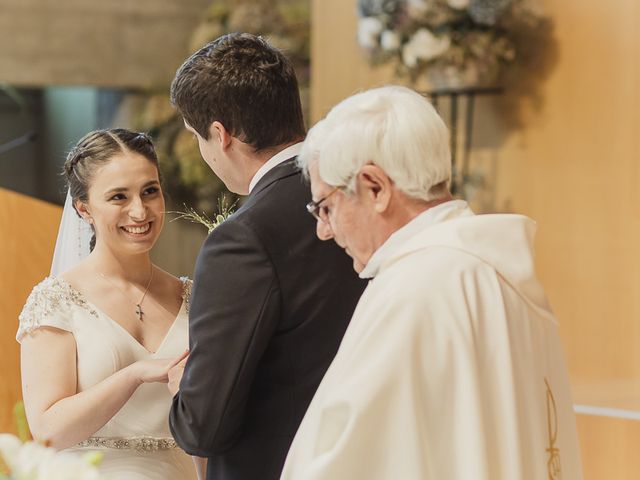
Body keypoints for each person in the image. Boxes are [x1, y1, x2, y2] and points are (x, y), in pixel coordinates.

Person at [281, 85, 583, 479]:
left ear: (375, 187)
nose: (324, 230)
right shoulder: (500, 271)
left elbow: (346, 463)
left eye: (326, 207)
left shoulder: (413, 290)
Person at [167, 33, 366, 480]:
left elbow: (204, 427)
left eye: (198, 137)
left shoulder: (243, 239)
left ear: (221, 135)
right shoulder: (361, 199)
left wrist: (185, 393)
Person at [18, 129, 197, 479]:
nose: (139, 211)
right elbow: (48, 431)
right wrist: (134, 374)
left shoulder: (192, 297)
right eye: (118, 197)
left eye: (150, 191)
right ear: (83, 208)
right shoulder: (56, 300)